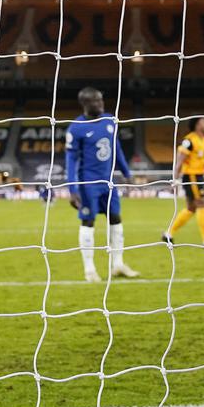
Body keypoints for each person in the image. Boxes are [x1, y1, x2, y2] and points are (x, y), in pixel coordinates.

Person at [65, 87, 139, 282]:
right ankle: (89, 270)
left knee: (116, 218)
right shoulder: (76, 128)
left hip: (109, 183)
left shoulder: (109, 120)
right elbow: (70, 161)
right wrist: (72, 190)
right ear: (85, 104)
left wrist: (126, 173)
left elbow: (117, 149)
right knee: (88, 222)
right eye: (96, 101)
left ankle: (118, 264)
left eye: (101, 100)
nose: (100, 104)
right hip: (88, 184)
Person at [162, 117, 204, 247]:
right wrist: (174, 180)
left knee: (191, 208)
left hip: (198, 176)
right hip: (191, 176)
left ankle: (168, 234)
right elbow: (179, 161)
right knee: (202, 204)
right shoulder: (189, 141)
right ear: (198, 125)